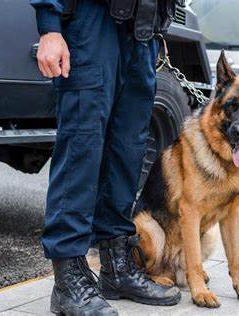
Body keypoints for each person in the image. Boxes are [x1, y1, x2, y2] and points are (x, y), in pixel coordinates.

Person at [29, 0, 182, 315]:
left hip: (143, 29)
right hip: (92, 22)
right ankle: (68, 281)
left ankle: (116, 267)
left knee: (128, 148)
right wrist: (50, 28)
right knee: (81, 147)